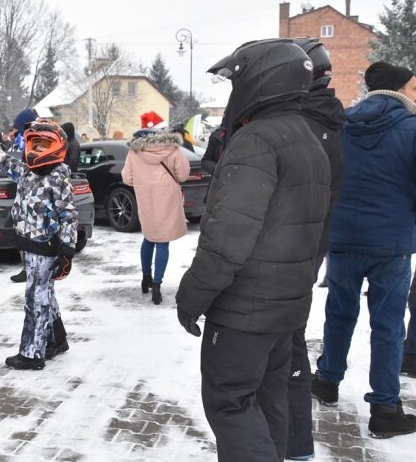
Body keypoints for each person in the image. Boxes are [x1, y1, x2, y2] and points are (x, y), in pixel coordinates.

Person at [175, 39, 330, 461]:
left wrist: (191, 297)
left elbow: (227, 240)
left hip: (246, 311)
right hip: (284, 307)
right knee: (268, 402)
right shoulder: (306, 137)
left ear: (260, 80)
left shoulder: (256, 142)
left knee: (232, 404)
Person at [312, 61, 416, 439]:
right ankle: (385, 408)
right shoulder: (411, 127)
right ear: (399, 89)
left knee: (339, 313)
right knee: (387, 325)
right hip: (391, 244)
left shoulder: (342, 123)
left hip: (342, 238)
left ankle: (326, 380)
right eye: (413, 87)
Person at [0, 120, 77, 370]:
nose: (37, 149)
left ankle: (32, 353)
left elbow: (70, 216)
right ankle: (57, 340)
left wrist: (66, 252)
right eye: (35, 143)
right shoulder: (26, 172)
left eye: (44, 144)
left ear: (56, 146)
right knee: (45, 293)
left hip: (46, 246)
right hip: (28, 245)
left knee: (36, 297)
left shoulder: (58, 179)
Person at [285, 38, 346, 462]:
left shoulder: (298, 125)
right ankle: (295, 443)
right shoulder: (332, 121)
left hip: (288, 250)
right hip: (310, 246)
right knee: (289, 344)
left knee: (283, 347)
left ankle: (292, 443)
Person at [122, 125, 189, 304]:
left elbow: (127, 178)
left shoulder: (134, 151)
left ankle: (146, 279)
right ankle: (157, 286)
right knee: (162, 242)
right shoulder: (172, 148)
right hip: (167, 198)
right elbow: (182, 175)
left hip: (146, 199)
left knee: (149, 238)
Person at [9, 109, 38, 283]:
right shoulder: (29, 142)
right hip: (25, 196)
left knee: (29, 235)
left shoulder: (35, 143)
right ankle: (27, 268)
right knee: (23, 234)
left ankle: (30, 269)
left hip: (32, 198)